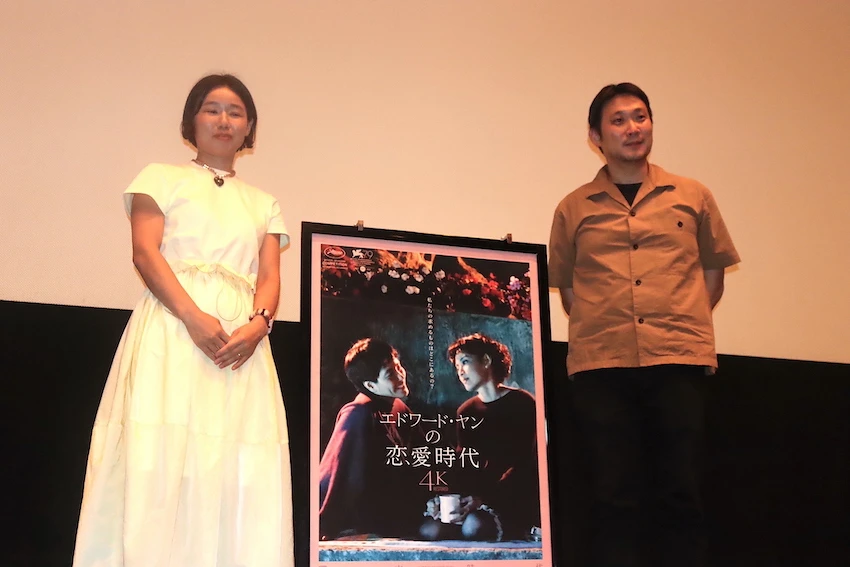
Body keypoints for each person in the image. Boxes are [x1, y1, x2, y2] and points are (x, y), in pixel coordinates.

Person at [73, 74, 294, 566]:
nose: (223, 120)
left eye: (235, 112)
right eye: (211, 109)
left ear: (249, 127)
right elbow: (145, 253)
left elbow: (269, 278)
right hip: (172, 332)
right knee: (159, 451)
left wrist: (259, 325)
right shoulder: (159, 177)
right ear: (191, 120)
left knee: (236, 461)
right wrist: (193, 317)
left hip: (241, 343)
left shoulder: (264, 203)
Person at [548, 82, 740, 567]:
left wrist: (679, 318)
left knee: (682, 491)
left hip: (677, 360)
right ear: (596, 136)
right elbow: (568, 289)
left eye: (640, 116)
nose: (633, 128)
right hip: (602, 366)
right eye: (618, 120)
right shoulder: (573, 207)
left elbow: (712, 277)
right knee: (613, 495)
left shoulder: (692, 195)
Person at [421, 334, 540, 541]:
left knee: (473, 527)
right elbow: (465, 464)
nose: (460, 371)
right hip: (477, 498)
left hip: (514, 496)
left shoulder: (523, 402)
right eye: (457, 366)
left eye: (465, 362)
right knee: (431, 529)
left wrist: (482, 499)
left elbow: (525, 465)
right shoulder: (466, 411)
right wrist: (449, 498)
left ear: (486, 360)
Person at [318, 338, 426, 540]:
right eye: (390, 374)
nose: (401, 375)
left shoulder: (399, 408)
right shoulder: (358, 413)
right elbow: (339, 473)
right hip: (366, 519)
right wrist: (327, 524)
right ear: (370, 385)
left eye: (398, 367)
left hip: (398, 508)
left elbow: (423, 456)